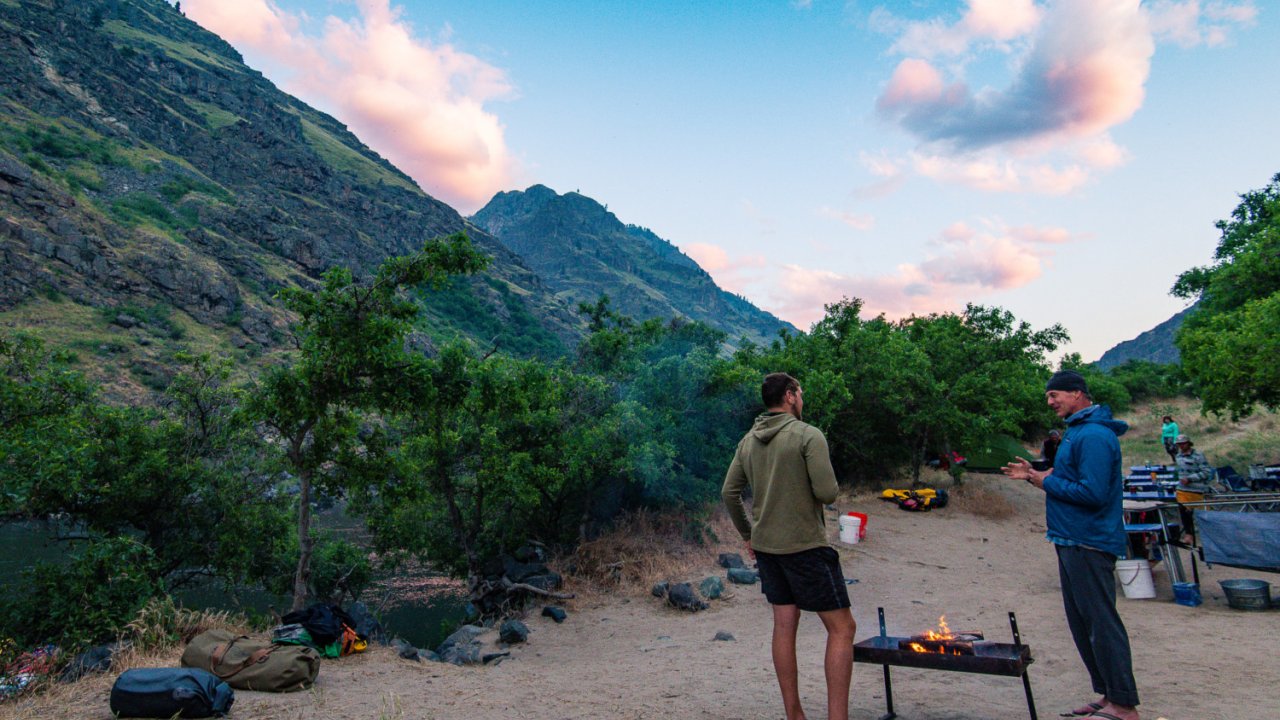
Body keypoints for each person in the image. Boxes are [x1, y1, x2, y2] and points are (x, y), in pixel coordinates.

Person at [1001, 370, 1140, 720]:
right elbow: (1070, 479)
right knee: (1083, 624)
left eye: (1054, 395)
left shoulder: (1093, 435)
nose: (1050, 403)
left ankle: (1123, 705)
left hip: (1088, 540)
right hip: (1070, 537)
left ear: (1077, 394)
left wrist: (1042, 482)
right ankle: (1109, 696)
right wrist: (1038, 475)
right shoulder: (1078, 431)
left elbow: (1093, 493)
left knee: (1101, 622)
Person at [722, 373, 856, 720]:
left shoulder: (748, 441)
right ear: (790, 396)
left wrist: (748, 535)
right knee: (842, 628)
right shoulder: (808, 435)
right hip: (805, 547)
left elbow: (729, 492)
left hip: (767, 549)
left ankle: (794, 715)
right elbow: (828, 493)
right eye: (801, 392)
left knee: (784, 624)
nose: (803, 398)